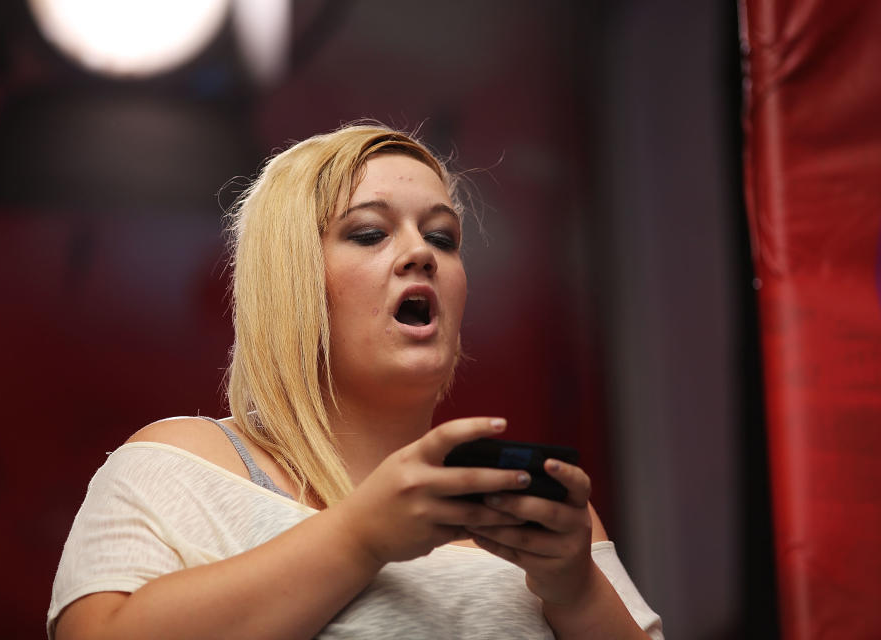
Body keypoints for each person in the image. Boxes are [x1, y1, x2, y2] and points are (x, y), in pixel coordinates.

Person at [47, 124, 663, 639]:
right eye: (370, 232)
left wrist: (577, 591)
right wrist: (360, 536)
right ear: (291, 279)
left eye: (442, 237)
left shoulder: (534, 520)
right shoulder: (183, 465)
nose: (421, 252)